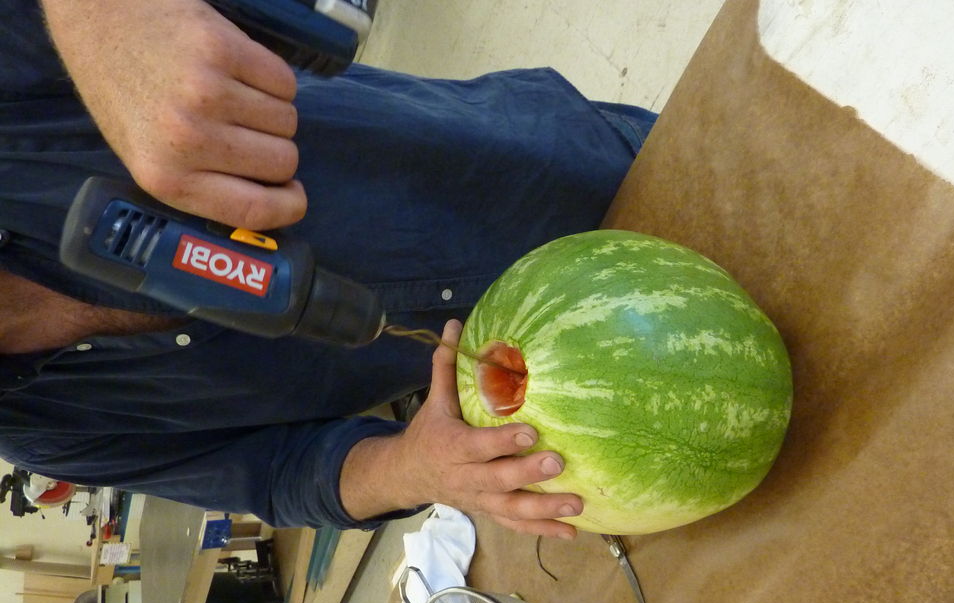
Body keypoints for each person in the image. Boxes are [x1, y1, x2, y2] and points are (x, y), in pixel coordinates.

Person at [0, 0, 656, 539]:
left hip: (578, 175)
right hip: (595, 386)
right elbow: (280, 477)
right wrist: (415, 467)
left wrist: (99, 20)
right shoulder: (34, 428)